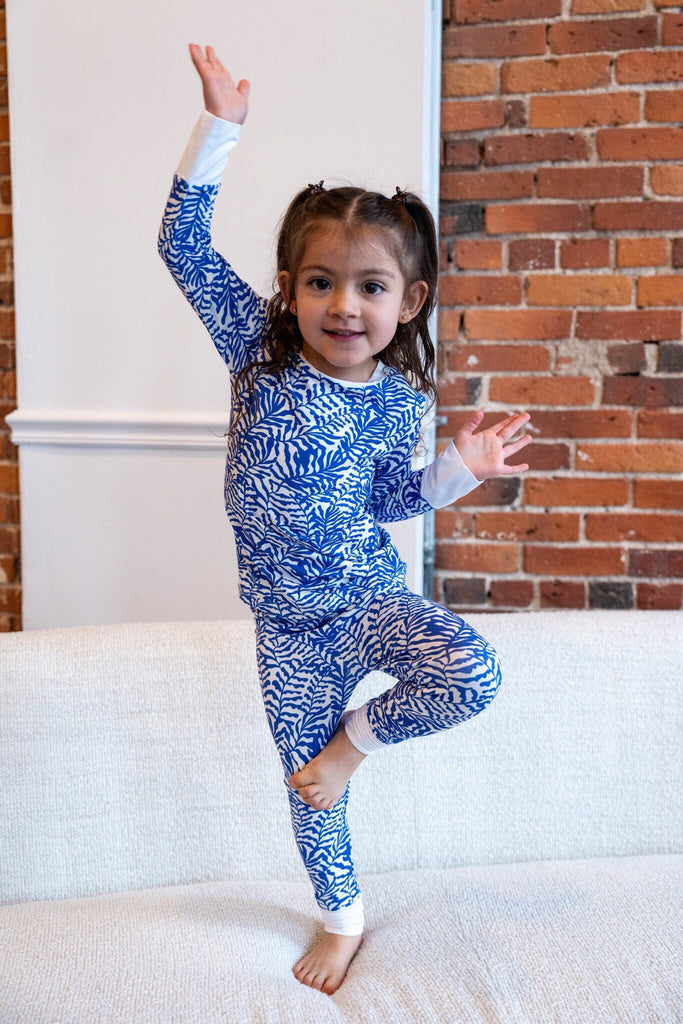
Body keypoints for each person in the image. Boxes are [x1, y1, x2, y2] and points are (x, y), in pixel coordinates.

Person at [158, 44, 532, 996]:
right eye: (319, 281)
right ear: (289, 287)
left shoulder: (400, 401)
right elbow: (182, 247)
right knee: (306, 790)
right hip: (289, 629)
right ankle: (343, 917)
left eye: (369, 287)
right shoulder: (257, 351)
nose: (342, 304)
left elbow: (384, 503)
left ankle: (353, 745)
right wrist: (222, 126)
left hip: (367, 595)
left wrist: (453, 472)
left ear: (407, 304)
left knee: (473, 672)